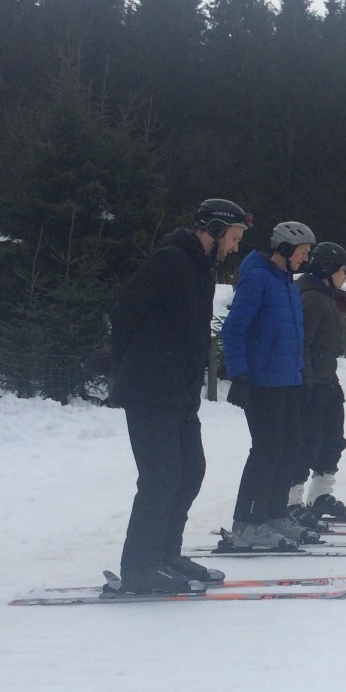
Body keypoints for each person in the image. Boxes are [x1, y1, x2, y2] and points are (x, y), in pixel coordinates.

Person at [107, 198, 250, 594]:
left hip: (180, 392)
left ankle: (166, 556)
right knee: (160, 477)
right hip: (150, 389)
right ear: (215, 231)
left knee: (190, 472)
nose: (235, 247)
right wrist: (128, 364)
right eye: (234, 237)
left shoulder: (201, 269)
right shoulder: (169, 261)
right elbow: (124, 314)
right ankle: (140, 568)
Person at [220, 220, 316, 550]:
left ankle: (273, 514)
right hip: (262, 382)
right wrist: (240, 376)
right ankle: (247, 523)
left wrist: (301, 372)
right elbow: (234, 330)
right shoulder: (258, 278)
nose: (306, 259)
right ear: (285, 249)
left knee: (290, 447)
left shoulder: (287, 283)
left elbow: (293, 335)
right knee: (267, 450)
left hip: (287, 381)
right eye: (302, 252)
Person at [286, 241, 346, 525]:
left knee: (333, 439)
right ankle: (291, 501)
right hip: (312, 384)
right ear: (327, 269)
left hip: (327, 380)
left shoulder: (324, 296)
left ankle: (320, 494)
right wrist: (307, 382)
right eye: (343, 270)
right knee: (307, 442)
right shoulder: (312, 299)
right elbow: (304, 344)